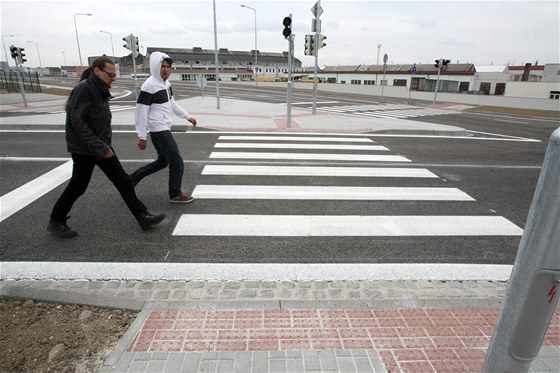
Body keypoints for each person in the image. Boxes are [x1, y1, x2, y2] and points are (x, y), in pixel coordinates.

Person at [47, 56, 166, 238]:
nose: (114, 78)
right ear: (97, 71)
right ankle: (56, 220)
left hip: (101, 146)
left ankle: (142, 216)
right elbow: (77, 122)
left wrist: (103, 144)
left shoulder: (99, 89)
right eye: (110, 74)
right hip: (85, 149)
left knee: (123, 181)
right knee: (78, 186)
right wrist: (99, 146)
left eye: (114, 74)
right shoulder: (84, 89)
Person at [130, 51, 197, 203]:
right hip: (158, 129)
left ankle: (131, 179)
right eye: (162, 66)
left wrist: (187, 116)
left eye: (168, 66)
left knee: (163, 161)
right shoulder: (149, 86)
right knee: (177, 162)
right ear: (155, 67)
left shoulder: (166, 84)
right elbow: (141, 111)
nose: (166, 69)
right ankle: (175, 194)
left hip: (163, 127)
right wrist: (141, 135)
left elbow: (172, 103)